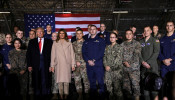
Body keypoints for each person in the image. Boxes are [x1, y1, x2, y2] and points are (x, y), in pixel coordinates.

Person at [27, 27, 53, 100]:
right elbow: (28, 54)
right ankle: (37, 94)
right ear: (36, 33)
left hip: (46, 63)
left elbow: (52, 54)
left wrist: (51, 65)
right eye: (38, 32)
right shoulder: (32, 42)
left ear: (44, 33)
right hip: (35, 64)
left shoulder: (49, 41)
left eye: (41, 32)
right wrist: (29, 65)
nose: (40, 33)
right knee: (36, 78)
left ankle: (45, 94)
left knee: (45, 78)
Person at [50, 29, 75, 100]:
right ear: (59, 34)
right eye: (60, 33)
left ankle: (66, 96)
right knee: (60, 81)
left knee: (66, 81)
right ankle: (61, 96)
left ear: (65, 34)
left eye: (63, 33)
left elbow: (72, 54)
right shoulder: (55, 43)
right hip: (58, 64)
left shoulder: (69, 42)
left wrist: (73, 64)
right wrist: (52, 65)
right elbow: (53, 55)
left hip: (67, 64)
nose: (61, 35)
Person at [82, 25, 106, 100]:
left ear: (96, 30)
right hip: (89, 65)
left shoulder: (101, 40)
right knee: (92, 83)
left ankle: (102, 97)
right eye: (91, 29)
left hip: (98, 65)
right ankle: (93, 97)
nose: (92, 30)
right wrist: (88, 60)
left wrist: (93, 60)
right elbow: (84, 53)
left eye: (94, 29)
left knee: (100, 82)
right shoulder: (86, 41)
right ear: (89, 31)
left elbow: (101, 52)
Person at [140, 26, 160, 100]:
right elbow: (138, 54)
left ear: (151, 31)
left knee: (154, 90)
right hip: (143, 68)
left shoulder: (155, 40)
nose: (146, 32)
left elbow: (156, 53)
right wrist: (142, 62)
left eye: (148, 30)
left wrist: (148, 63)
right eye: (144, 30)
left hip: (152, 67)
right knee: (145, 91)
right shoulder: (141, 42)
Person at [121, 29, 141, 100]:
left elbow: (136, 55)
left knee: (135, 87)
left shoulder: (137, 44)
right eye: (127, 34)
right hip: (125, 69)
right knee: (126, 88)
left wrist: (129, 63)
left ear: (132, 35)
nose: (128, 35)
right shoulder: (122, 44)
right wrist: (124, 62)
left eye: (130, 34)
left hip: (134, 69)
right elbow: (120, 55)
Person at [103, 32, 123, 100]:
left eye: (113, 37)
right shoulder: (107, 47)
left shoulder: (119, 47)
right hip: (108, 71)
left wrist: (110, 66)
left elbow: (118, 59)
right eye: (111, 37)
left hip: (116, 71)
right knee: (109, 89)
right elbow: (104, 57)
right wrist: (106, 65)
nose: (112, 39)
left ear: (116, 38)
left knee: (117, 89)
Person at [72, 29, 90, 100]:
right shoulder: (73, 44)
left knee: (86, 80)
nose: (79, 35)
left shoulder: (86, 43)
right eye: (77, 34)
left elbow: (88, 54)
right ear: (76, 35)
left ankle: (87, 94)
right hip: (76, 65)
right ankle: (80, 94)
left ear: (83, 34)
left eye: (80, 33)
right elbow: (71, 54)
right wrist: (75, 62)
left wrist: (81, 62)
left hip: (84, 65)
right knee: (77, 80)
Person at [50, 32, 58, 100]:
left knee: (56, 79)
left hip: (58, 65)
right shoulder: (49, 44)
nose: (53, 37)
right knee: (52, 79)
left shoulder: (59, 44)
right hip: (50, 64)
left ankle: (55, 94)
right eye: (52, 36)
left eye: (55, 36)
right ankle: (53, 93)